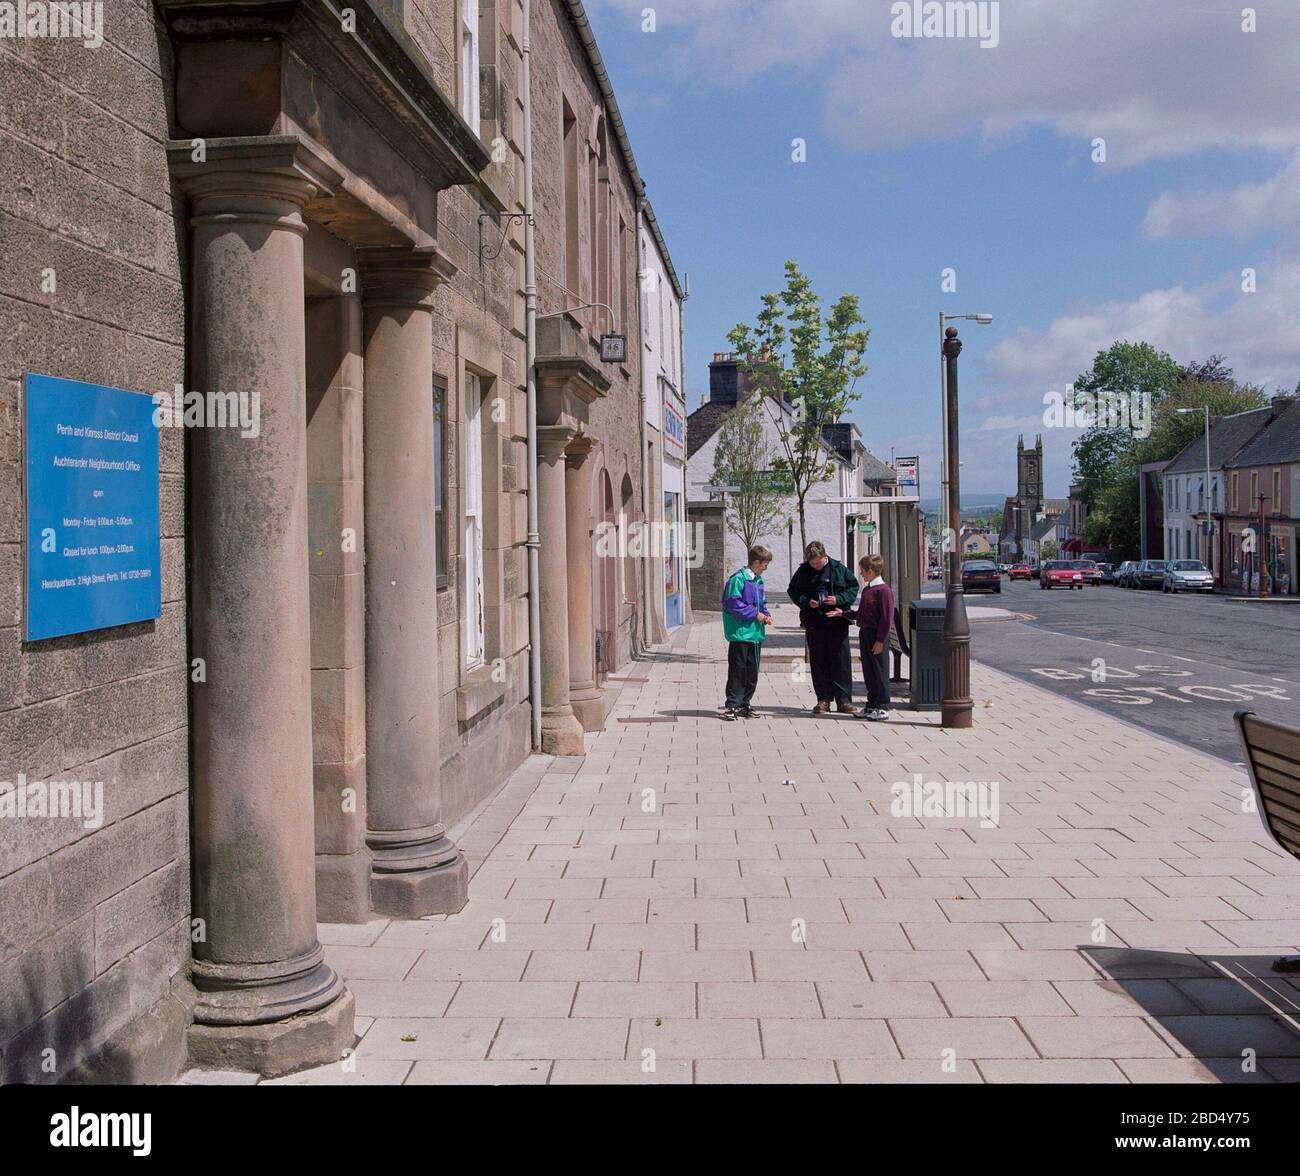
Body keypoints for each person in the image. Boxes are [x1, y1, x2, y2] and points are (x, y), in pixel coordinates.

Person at [787, 540, 858, 714]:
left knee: (840, 662)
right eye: (812, 564)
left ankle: (844, 701)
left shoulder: (838, 569)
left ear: (825, 556)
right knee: (818, 662)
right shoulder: (803, 571)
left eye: (818, 563)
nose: (815, 566)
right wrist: (806, 602)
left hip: (837, 621)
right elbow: (793, 591)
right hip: (814, 622)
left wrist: (838, 599)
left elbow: (853, 587)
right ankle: (823, 700)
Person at [829, 553, 895, 721]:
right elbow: (862, 614)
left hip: (876, 634)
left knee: (880, 670)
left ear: (871, 571)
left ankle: (883, 706)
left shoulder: (883, 590)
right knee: (869, 670)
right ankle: (872, 705)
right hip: (865, 633)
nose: (861, 574)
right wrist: (843, 613)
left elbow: (887, 618)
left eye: (862, 571)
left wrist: (880, 640)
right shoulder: (868, 589)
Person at [720, 545, 774, 720]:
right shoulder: (738, 579)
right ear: (756, 562)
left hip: (755, 634)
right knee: (738, 669)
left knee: (752, 670)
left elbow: (762, 602)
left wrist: (766, 614)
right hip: (740, 633)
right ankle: (732, 705)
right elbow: (732, 603)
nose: (766, 568)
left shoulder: (758, 580)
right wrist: (755, 614)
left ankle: (745, 703)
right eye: (765, 564)